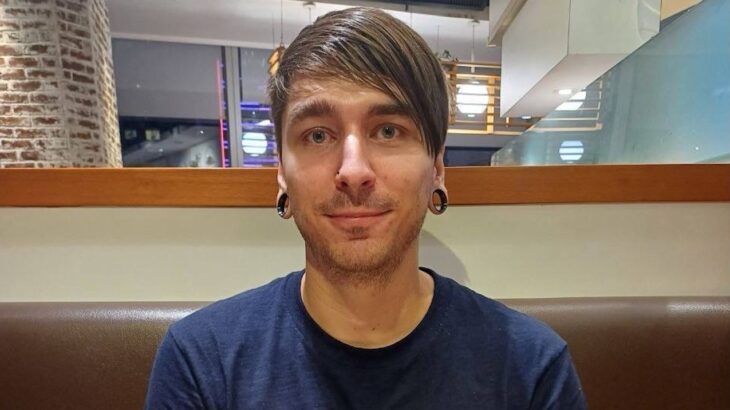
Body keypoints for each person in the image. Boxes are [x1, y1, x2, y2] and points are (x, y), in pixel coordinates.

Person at [144, 7, 586, 409]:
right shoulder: (202, 362)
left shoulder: (530, 368)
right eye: (318, 135)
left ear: (437, 167)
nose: (353, 171)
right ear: (281, 172)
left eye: (388, 131)